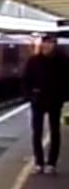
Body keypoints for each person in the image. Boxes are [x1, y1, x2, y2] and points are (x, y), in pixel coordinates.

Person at [21, 34, 68, 174]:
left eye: (50, 43)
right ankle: (39, 162)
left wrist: (63, 97)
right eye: (45, 43)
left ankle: (52, 163)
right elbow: (26, 79)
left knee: (55, 132)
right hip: (38, 100)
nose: (47, 45)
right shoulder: (33, 61)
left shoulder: (63, 61)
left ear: (54, 44)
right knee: (37, 132)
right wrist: (29, 96)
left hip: (55, 100)